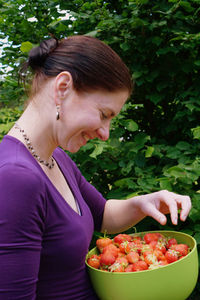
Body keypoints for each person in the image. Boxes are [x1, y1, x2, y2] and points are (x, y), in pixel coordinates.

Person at [0, 35, 191, 300]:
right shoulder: (15, 178)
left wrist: (144, 203)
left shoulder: (55, 158)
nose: (105, 133)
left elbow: (101, 215)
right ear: (63, 87)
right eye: (104, 114)